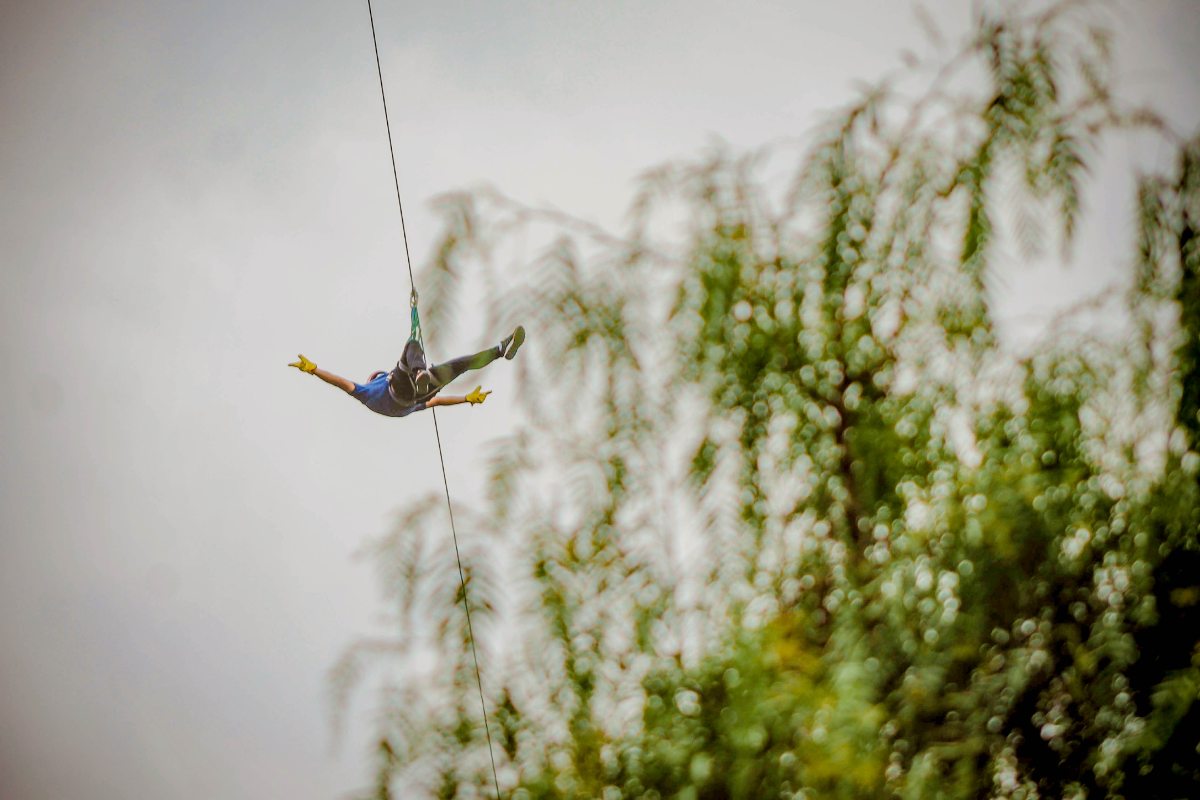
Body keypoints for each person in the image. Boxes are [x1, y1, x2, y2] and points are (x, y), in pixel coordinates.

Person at [290, 300, 525, 418]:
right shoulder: (370, 389)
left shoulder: (369, 398)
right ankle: (421, 372)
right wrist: (315, 370)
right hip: (405, 387)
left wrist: (466, 399)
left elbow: (436, 402)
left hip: (418, 394)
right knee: (413, 345)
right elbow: (341, 383)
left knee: (458, 366)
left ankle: (500, 349)